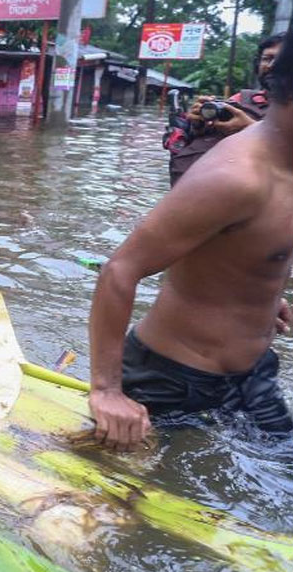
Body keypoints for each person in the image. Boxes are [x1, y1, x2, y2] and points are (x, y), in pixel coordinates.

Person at [86, 27, 293, 451]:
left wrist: (263, 294)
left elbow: (249, 248)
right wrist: (106, 390)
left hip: (252, 375)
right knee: (132, 511)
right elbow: (120, 270)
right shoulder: (237, 178)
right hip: (171, 382)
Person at [168, 34, 284, 186]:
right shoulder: (242, 99)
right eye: (267, 59)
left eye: (283, 61)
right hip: (192, 191)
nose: (271, 66)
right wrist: (198, 123)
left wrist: (250, 128)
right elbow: (204, 137)